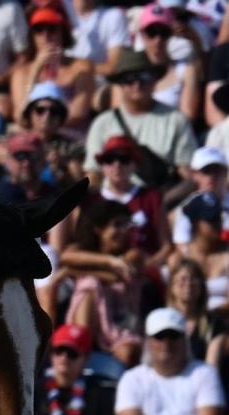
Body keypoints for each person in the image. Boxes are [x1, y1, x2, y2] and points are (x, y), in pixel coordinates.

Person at [83, 50, 197, 202]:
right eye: (129, 79)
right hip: (112, 201)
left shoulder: (176, 119)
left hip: (160, 197)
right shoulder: (102, 123)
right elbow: (93, 174)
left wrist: (159, 204)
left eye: (144, 77)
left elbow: (189, 177)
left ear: (155, 80)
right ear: (120, 85)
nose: (137, 85)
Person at [61, 197, 146, 365]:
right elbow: (66, 256)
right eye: (117, 225)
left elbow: (118, 275)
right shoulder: (85, 251)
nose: (122, 231)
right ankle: (80, 348)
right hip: (90, 318)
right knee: (90, 286)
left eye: (126, 225)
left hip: (121, 322)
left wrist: (75, 269)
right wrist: (111, 262)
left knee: (90, 282)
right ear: (98, 229)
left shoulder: (134, 254)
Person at [9, 0, 95, 128]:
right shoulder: (21, 72)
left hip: (68, 135)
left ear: (62, 32)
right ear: (32, 37)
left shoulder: (81, 68)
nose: (45, 35)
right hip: (33, 137)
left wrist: (47, 127)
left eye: (51, 29)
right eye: (39, 30)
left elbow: (78, 113)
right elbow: (20, 117)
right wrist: (35, 71)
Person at [95, 135, 169, 267]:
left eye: (124, 160)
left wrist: (149, 266)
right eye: (109, 159)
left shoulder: (152, 198)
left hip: (145, 268)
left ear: (134, 165)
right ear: (102, 167)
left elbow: (165, 246)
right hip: (102, 268)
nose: (117, 165)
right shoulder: (92, 201)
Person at [136, 3, 203, 122]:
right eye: (151, 32)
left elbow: (187, 118)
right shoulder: (130, 71)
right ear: (142, 34)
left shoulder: (186, 70)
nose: (158, 40)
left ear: (171, 35)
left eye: (164, 33)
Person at [172, 147, 229, 255]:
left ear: (225, 172)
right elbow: (182, 246)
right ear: (194, 174)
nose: (211, 177)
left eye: (216, 170)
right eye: (206, 171)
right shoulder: (188, 208)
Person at [68, 0, 130, 80]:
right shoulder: (58, 13)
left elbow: (114, 67)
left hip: (97, 86)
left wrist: (76, 68)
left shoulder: (113, 16)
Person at [0, 132, 56, 205]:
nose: (26, 163)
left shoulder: (53, 197)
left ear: (44, 161)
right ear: (8, 161)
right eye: (20, 156)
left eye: (33, 156)